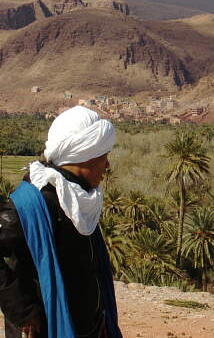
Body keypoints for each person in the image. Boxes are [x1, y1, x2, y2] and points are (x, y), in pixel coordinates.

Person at [0, 106, 122, 338]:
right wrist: (23, 311)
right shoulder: (33, 204)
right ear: (84, 156)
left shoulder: (81, 198)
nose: (107, 166)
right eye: (104, 157)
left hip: (89, 327)